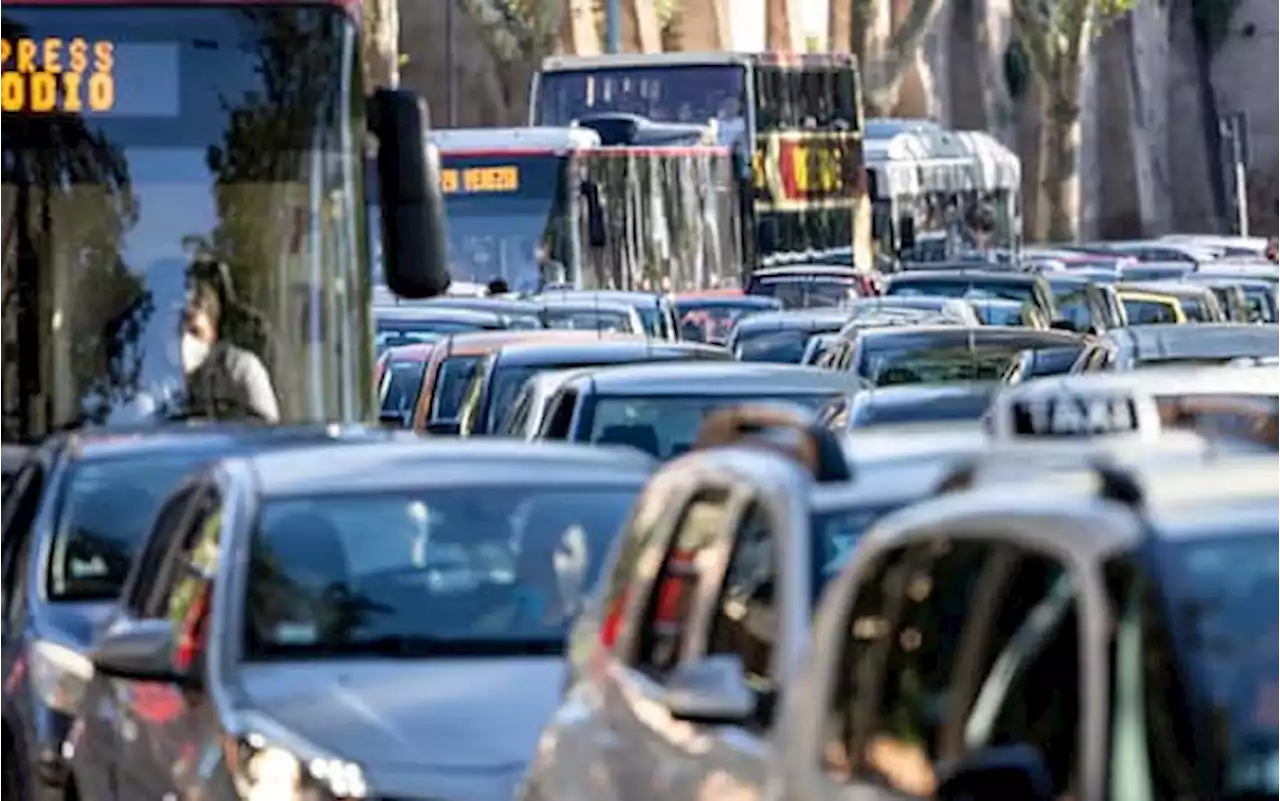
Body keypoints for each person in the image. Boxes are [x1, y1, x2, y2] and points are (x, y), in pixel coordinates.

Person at [182, 277, 280, 422]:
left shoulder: (241, 369)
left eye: (195, 332)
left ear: (213, 333)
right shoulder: (146, 374)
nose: (184, 341)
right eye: (177, 331)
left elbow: (267, 435)